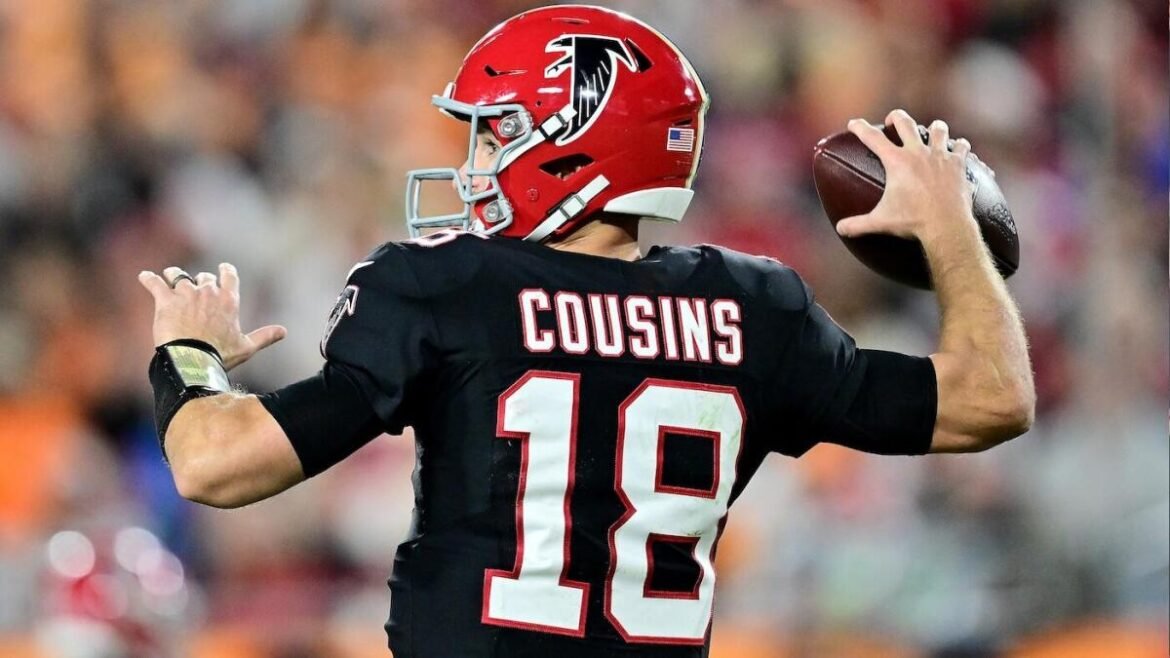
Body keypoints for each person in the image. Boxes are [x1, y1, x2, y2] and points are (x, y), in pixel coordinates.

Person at [137, 5, 1034, 657]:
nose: (477, 163)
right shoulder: (754, 309)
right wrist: (954, 234)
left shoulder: (448, 286)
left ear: (573, 142)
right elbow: (991, 399)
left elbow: (217, 465)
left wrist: (190, 352)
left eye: (498, 135)